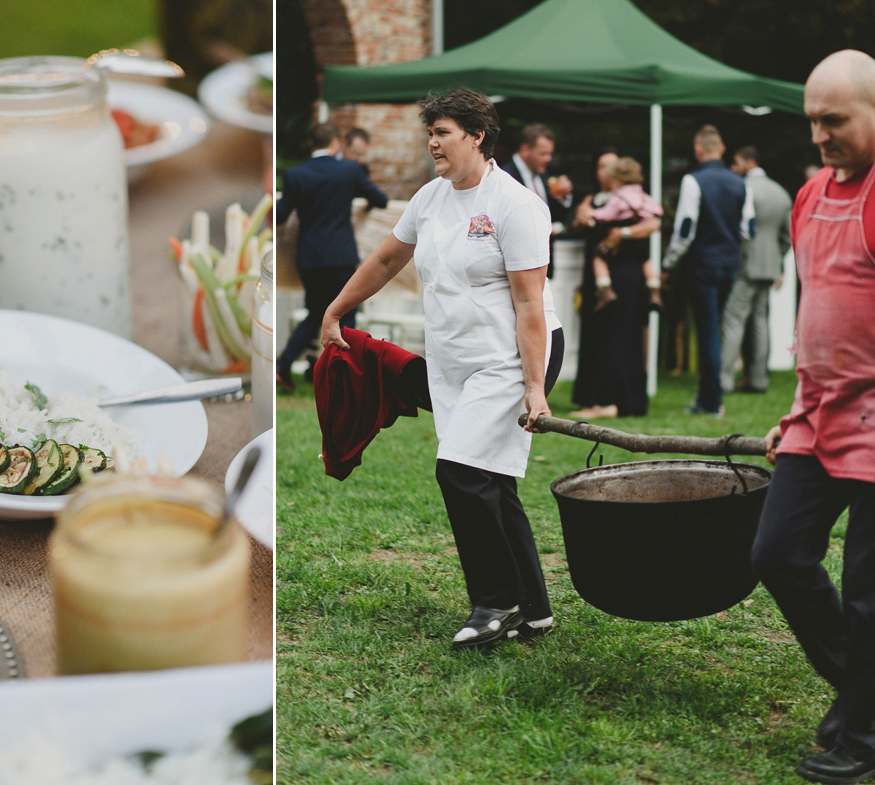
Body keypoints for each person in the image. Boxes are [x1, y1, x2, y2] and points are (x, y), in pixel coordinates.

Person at [320, 88, 564, 649]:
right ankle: (534, 609)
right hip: (453, 359)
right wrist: (336, 309)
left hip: (512, 355)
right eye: (430, 133)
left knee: (460, 471)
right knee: (492, 483)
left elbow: (529, 305)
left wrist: (535, 388)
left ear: (477, 137)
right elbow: (386, 257)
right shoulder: (430, 198)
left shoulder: (516, 205)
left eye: (444, 132)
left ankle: (494, 603)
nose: (433, 142)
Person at [750, 49, 875, 785]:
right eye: (813, 122)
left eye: (837, 120)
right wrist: (798, 405)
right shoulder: (807, 195)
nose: (822, 135)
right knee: (777, 554)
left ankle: (859, 735)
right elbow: (816, 309)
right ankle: (865, 696)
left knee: (866, 593)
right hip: (819, 415)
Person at [276, 122, 388, 391]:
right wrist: (365, 202)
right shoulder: (350, 171)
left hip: (310, 257)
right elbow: (381, 200)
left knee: (316, 315)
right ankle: (340, 378)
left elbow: (279, 216)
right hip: (340, 256)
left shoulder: (295, 175)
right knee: (346, 317)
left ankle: (283, 365)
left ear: (311, 144)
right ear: (336, 144)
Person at [660, 124, 754, 416]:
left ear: (698, 149)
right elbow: (747, 229)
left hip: (702, 265)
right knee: (715, 329)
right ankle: (709, 397)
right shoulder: (740, 182)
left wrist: (668, 264)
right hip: (729, 265)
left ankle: (711, 402)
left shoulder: (693, 180)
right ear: (722, 149)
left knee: (707, 332)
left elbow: (685, 229)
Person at [569, 151, 661, 419]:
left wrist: (621, 232)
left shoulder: (620, 201)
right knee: (608, 336)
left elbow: (653, 223)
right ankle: (609, 398)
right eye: (601, 167)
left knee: (617, 335)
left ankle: (611, 401)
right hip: (610, 272)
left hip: (622, 271)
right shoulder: (596, 200)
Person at [719, 146, 792, 394]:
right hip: (769, 267)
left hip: (746, 264)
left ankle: (724, 380)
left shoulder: (745, 189)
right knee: (760, 321)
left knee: (733, 319)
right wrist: (776, 260)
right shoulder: (781, 193)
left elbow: (739, 230)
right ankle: (759, 379)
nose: (733, 168)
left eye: (737, 163)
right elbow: (787, 237)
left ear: (749, 162)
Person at [585, 156, 664, 312]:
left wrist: (592, 214)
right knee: (646, 261)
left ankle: (605, 291)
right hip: (640, 243)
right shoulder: (643, 195)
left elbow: (606, 214)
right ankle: (655, 292)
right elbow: (657, 211)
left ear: (618, 180)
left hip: (621, 246)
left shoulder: (618, 197)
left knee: (599, 258)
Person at [501, 123, 575, 237]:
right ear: (524, 149)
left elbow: (555, 213)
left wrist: (563, 196)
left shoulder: (544, 172)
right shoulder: (505, 176)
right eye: (543, 154)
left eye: (550, 153)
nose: (548, 159)